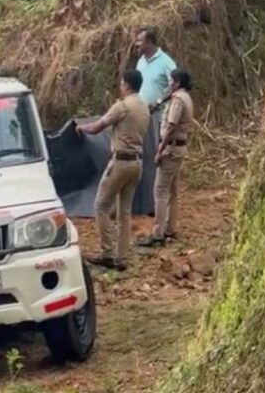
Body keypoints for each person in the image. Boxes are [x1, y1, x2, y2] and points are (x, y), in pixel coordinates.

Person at [77, 70, 150, 271]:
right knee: (125, 212)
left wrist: (81, 128)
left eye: (121, 83)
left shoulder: (123, 106)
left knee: (101, 205)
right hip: (137, 163)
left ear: (126, 85)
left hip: (120, 163)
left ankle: (107, 253)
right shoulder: (143, 107)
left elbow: (97, 127)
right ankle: (122, 257)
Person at [138, 69, 194, 247]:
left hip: (171, 148)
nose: (169, 84)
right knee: (173, 191)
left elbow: (170, 126)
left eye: (171, 81)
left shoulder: (177, 101)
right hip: (179, 148)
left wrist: (160, 149)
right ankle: (170, 227)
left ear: (177, 83)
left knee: (160, 190)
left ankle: (158, 233)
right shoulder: (185, 98)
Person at [133, 27, 177, 217]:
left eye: (140, 41)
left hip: (160, 119)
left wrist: (158, 102)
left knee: (158, 158)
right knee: (143, 155)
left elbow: (176, 86)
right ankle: (144, 201)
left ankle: (157, 204)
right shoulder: (140, 61)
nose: (137, 44)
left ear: (150, 43)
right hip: (142, 117)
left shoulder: (166, 62)